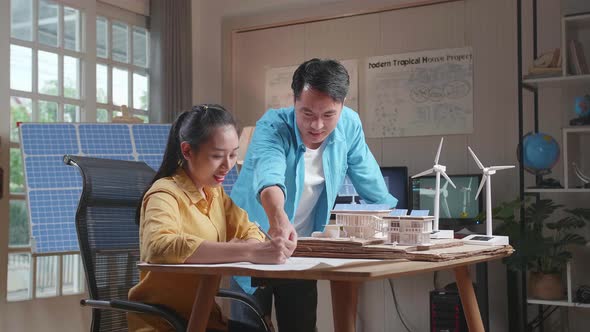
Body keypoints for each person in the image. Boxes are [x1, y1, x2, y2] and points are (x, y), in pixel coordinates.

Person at [230, 59, 398, 331]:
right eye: (306, 113)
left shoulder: (350, 125)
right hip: (253, 239)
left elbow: (371, 181)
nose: (317, 125)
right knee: (249, 325)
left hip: (301, 245)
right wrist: (278, 219)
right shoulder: (272, 125)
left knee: (301, 324)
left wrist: (396, 221)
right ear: (294, 101)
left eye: (328, 115)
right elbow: (269, 176)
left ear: (342, 105)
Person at [127, 104, 289, 332]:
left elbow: (251, 230)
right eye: (216, 156)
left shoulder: (215, 194)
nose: (227, 165)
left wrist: (252, 244)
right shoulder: (163, 193)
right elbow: (159, 246)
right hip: (163, 323)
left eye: (233, 154)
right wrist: (248, 251)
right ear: (187, 151)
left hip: (205, 319)